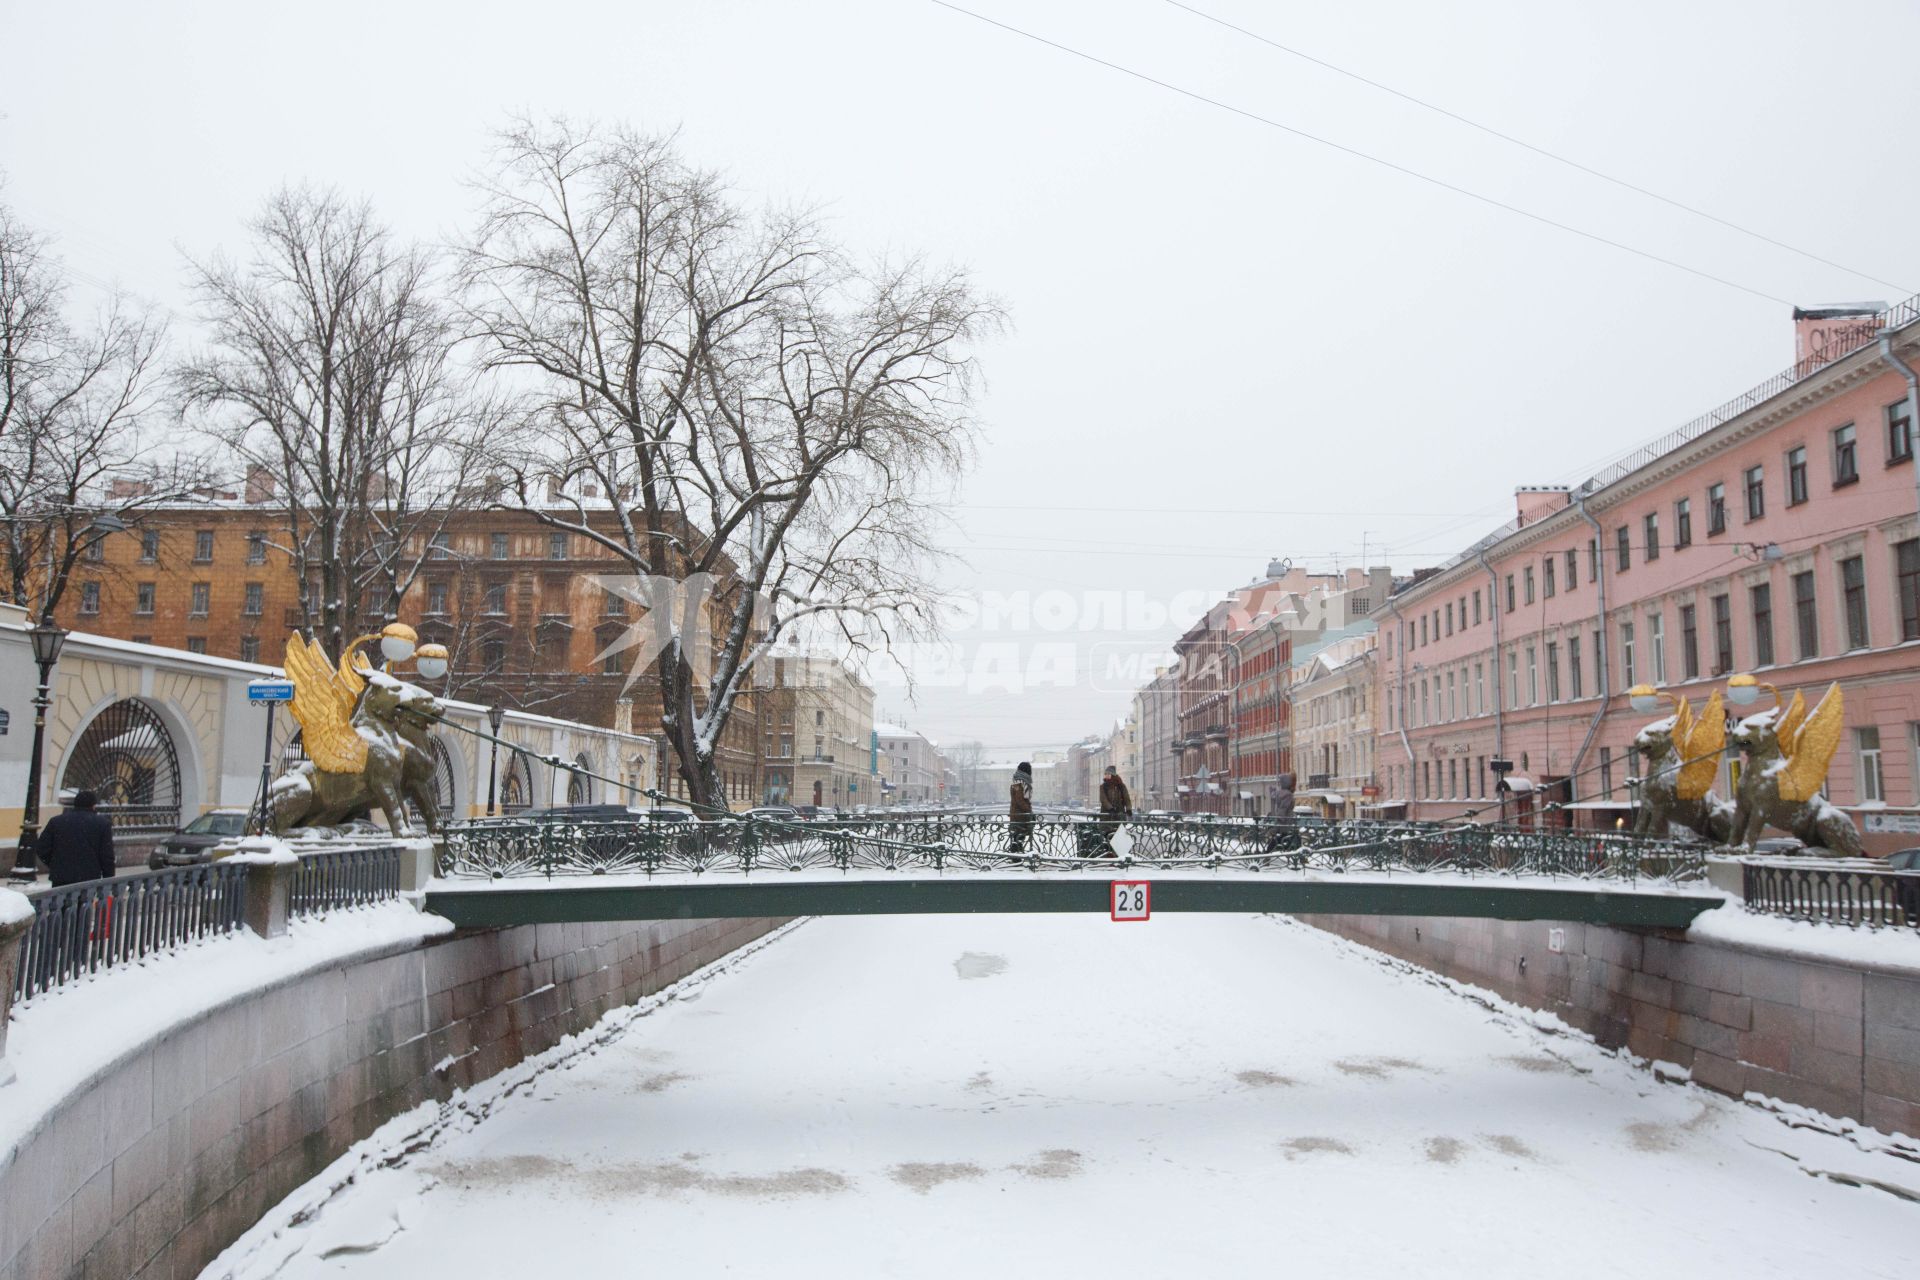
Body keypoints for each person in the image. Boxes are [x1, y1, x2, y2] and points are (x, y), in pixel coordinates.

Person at [36, 789, 117, 886]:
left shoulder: (57, 821)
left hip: (61, 878)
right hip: (89, 878)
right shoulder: (102, 824)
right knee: (84, 901)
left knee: (61, 901)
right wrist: (109, 879)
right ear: (93, 805)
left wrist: (55, 864)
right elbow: (106, 856)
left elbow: (42, 848)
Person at [1096, 765, 1132, 856]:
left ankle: (1120, 855)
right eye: (1105, 774)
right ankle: (1108, 854)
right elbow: (1103, 799)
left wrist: (1128, 809)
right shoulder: (1103, 786)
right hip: (1106, 816)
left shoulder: (1121, 786)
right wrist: (1110, 808)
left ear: (1113, 775)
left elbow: (1126, 798)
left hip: (1119, 815)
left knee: (1119, 835)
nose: (1106, 776)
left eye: (1108, 774)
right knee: (1106, 835)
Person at [1008, 762, 1035, 853]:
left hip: (1017, 814)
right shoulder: (1019, 782)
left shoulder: (1018, 781)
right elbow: (1020, 800)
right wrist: (1029, 810)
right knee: (1019, 835)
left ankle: (1017, 854)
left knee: (1018, 836)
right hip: (1020, 814)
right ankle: (1016, 856)